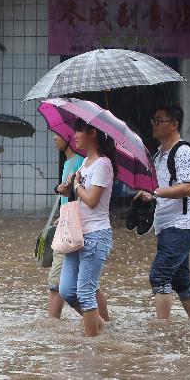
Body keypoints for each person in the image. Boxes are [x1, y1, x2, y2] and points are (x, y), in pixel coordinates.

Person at [134, 104, 190, 321]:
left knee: (159, 276)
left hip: (182, 226)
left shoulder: (183, 151)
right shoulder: (158, 156)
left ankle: (162, 332)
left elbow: (188, 187)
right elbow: (160, 189)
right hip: (166, 226)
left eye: (159, 120)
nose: (154, 124)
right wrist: (149, 194)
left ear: (174, 124)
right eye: (153, 120)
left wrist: (155, 192)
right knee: (180, 280)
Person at [58, 121, 116, 337]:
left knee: (85, 292)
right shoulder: (85, 164)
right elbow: (76, 195)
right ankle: (99, 326)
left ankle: (91, 344)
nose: (74, 135)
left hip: (96, 235)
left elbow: (92, 200)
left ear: (93, 133)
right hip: (77, 234)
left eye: (78, 131)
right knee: (66, 291)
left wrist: (76, 186)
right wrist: (66, 188)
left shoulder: (103, 164)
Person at [47, 133, 84, 318]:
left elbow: (81, 197)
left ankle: (51, 327)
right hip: (66, 225)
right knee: (86, 283)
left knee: (56, 283)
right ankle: (105, 322)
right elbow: (68, 200)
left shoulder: (79, 162)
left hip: (71, 229)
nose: (54, 138)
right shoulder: (68, 163)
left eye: (58, 135)